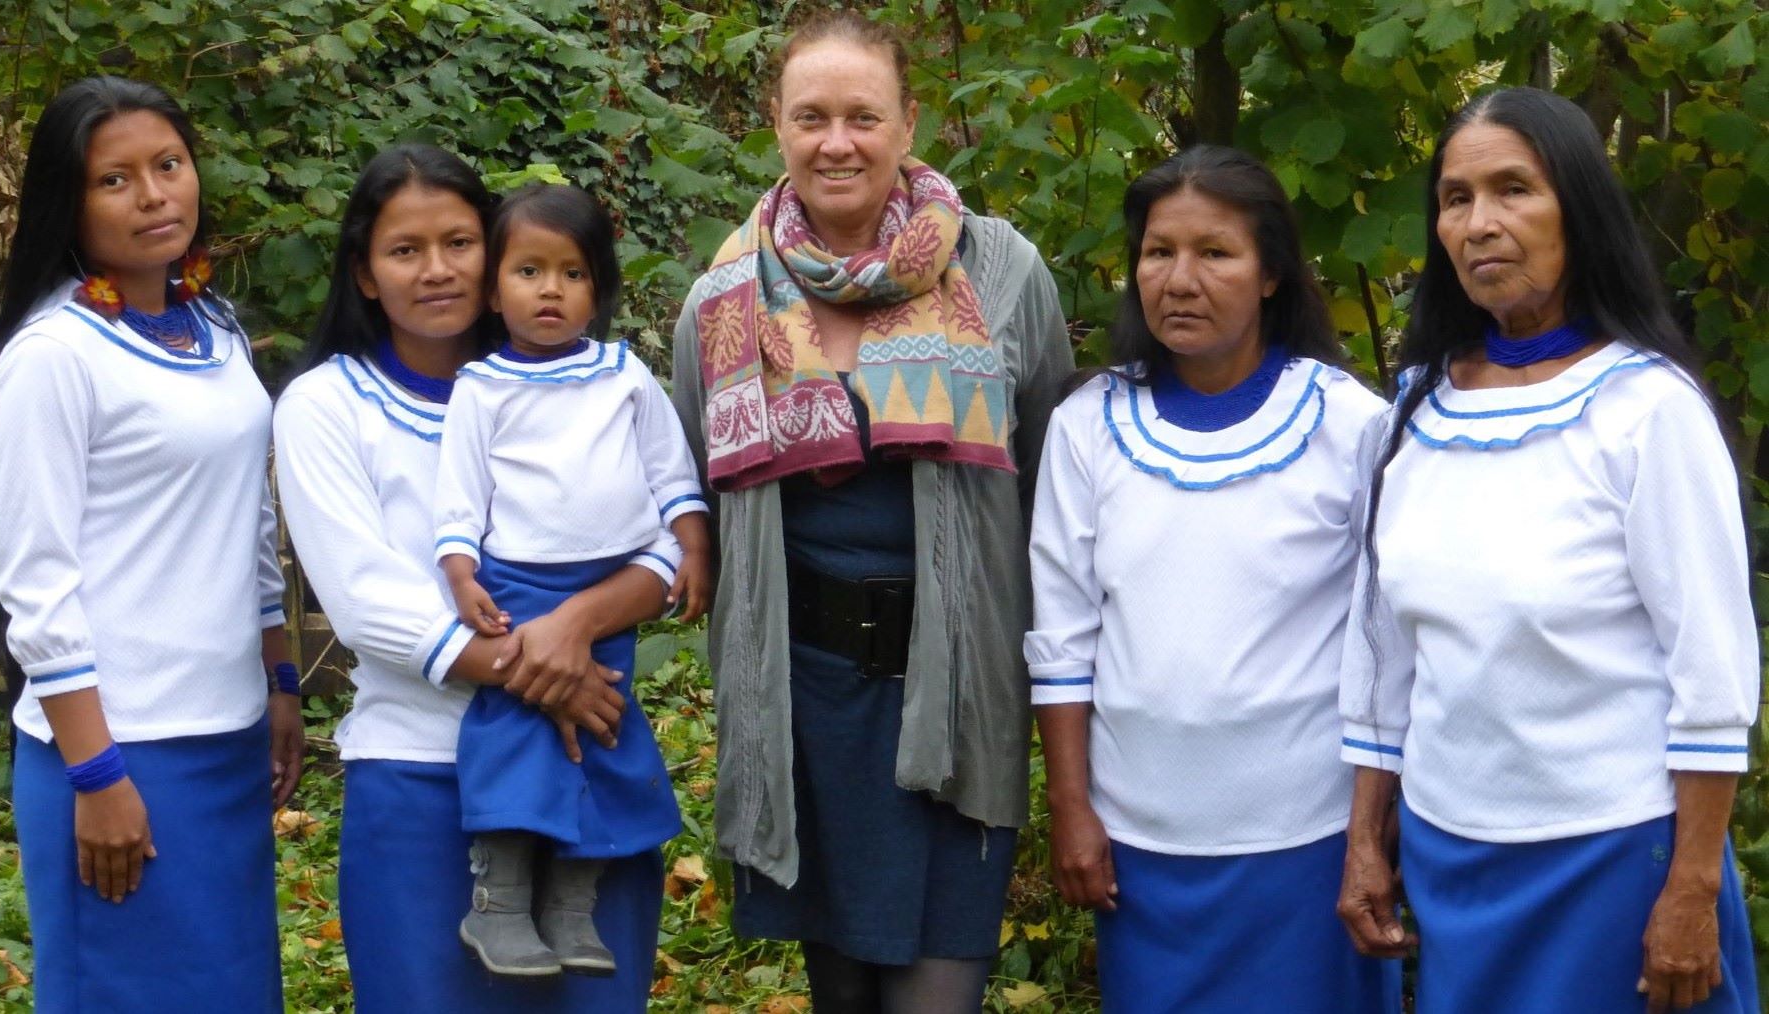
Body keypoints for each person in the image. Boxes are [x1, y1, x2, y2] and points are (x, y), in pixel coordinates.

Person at [669, 10, 1074, 1012]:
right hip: (801, 707)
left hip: (958, 690)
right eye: (811, 116)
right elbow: (692, 490)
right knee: (841, 996)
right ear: (777, 124)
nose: (836, 141)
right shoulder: (722, 300)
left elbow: (1060, 486)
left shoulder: (1003, 273)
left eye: (863, 115)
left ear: (908, 122)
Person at [1335, 87, 1760, 1014]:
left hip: (1618, 855)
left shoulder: (1648, 411)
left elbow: (1713, 674)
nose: (1481, 223)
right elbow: (1381, 652)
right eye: (1456, 198)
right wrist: (1368, 836)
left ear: (1578, 207)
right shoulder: (1414, 413)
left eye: (1513, 190)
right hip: (1455, 852)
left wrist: (1690, 889)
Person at [274, 145, 676, 1013]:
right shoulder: (325, 405)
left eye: (459, 243)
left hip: (586, 768)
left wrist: (573, 632)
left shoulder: (593, 385)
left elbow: (663, 545)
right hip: (422, 774)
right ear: (365, 273)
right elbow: (363, 598)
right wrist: (543, 675)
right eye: (404, 250)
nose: (437, 270)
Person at [1026, 146, 1399, 1013]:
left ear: (1271, 273)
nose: (1180, 279)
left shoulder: (1349, 424)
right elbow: (1063, 637)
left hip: (1308, 843)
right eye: (1159, 252)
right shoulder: (1088, 427)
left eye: (1215, 253)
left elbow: (1386, 646)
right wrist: (1073, 809)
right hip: (1142, 846)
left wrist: (1369, 834)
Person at [0, 75, 300, 1011]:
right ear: (66, 203)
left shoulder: (213, 326)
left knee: (233, 991)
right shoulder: (53, 358)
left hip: (226, 737)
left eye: (168, 164)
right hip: (119, 753)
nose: (156, 194)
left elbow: (248, 521)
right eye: (114, 180)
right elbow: (37, 588)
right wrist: (97, 774)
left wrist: (279, 681)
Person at [432, 183, 709, 977]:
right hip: (516, 586)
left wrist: (694, 547)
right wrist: (459, 571)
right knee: (518, 740)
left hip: (610, 585)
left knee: (606, 733)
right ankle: (501, 907)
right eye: (528, 271)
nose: (550, 289)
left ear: (599, 291)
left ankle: (573, 908)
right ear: (494, 289)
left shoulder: (625, 376)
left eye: (572, 273)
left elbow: (671, 474)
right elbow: (460, 494)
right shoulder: (480, 388)